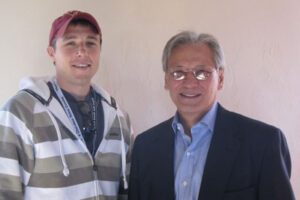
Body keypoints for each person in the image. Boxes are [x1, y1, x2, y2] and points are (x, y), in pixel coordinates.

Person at [128, 31, 295, 200]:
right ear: (166, 80)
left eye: (202, 73)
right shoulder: (145, 147)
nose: (190, 83)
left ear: (220, 78)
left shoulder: (263, 142)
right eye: (178, 73)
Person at [0, 10, 133, 200]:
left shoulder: (119, 118)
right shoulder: (20, 113)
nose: (82, 51)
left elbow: (126, 191)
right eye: (70, 43)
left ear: (100, 50)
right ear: (51, 52)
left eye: (90, 43)